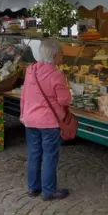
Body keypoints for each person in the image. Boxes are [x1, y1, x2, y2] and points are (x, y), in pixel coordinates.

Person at [20, 39, 71, 201]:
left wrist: (22, 114)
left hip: (30, 119)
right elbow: (64, 100)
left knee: (34, 153)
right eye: (61, 52)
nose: (62, 55)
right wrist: (69, 93)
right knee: (49, 155)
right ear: (55, 55)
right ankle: (48, 191)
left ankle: (33, 187)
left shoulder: (31, 70)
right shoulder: (56, 74)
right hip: (49, 122)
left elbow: (24, 94)